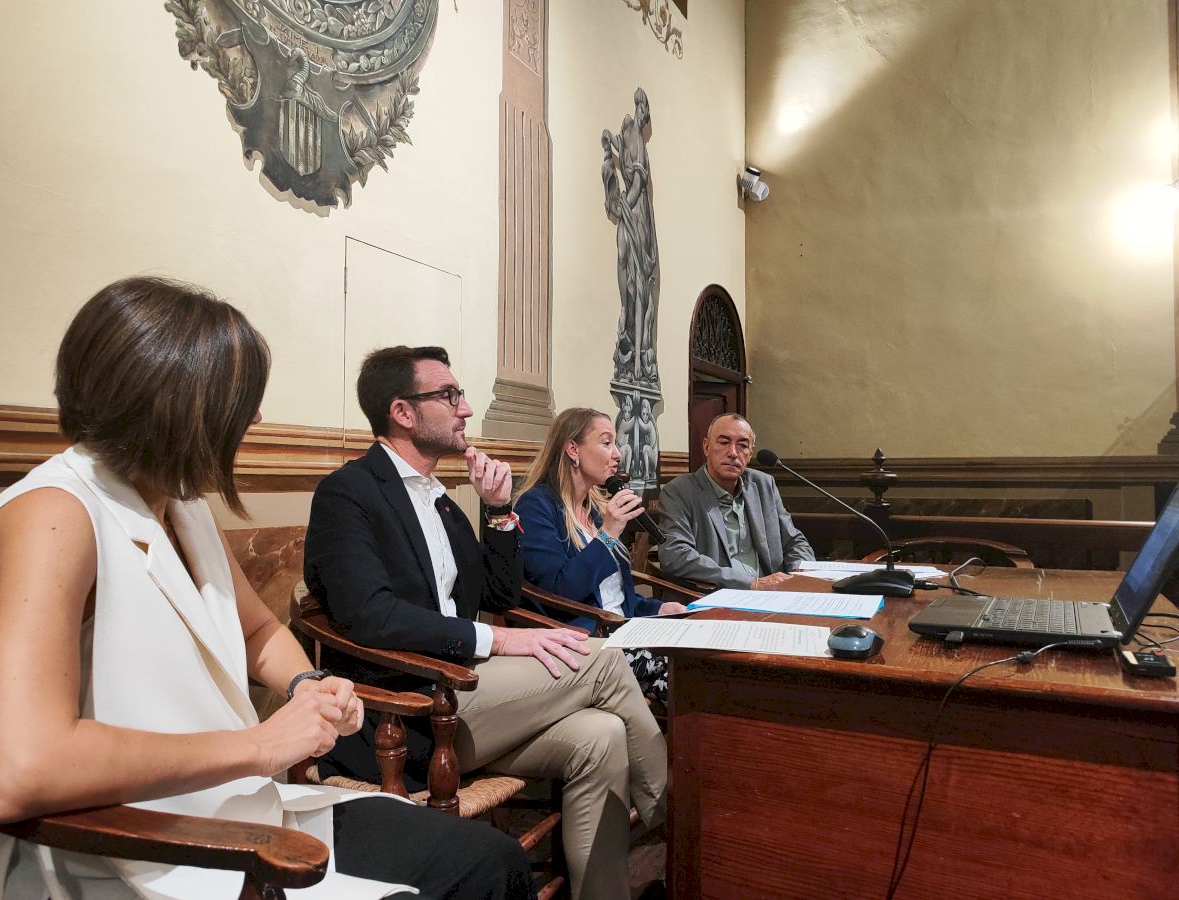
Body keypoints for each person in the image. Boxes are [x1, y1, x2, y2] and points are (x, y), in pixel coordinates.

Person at [0, 278, 532, 900]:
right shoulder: (52, 515)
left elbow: (257, 629)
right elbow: (18, 770)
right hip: (130, 850)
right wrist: (261, 744)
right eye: (240, 398)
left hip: (232, 804)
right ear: (174, 400)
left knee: (494, 861)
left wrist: (307, 685)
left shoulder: (182, 506)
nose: (258, 417)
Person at [303, 347, 668, 900]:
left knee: (603, 735)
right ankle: (682, 822)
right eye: (449, 395)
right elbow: (371, 616)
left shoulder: (443, 502)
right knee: (605, 661)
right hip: (409, 708)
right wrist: (498, 638)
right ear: (403, 412)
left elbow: (498, 594)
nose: (466, 408)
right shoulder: (348, 494)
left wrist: (498, 511)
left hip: (466, 693)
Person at [513, 408, 686, 701]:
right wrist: (607, 534)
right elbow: (560, 590)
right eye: (607, 443)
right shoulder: (536, 506)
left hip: (623, 629)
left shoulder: (591, 509)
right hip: (587, 639)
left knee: (702, 660)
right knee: (686, 677)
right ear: (573, 449)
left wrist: (656, 609)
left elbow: (610, 594)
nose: (617, 454)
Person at [658, 413, 815, 589]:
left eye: (742, 445)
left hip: (773, 592)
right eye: (724, 442)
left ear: (750, 453)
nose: (733, 453)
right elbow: (675, 555)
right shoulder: (679, 491)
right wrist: (750, 583)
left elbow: (794, 541)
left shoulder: (763, 484)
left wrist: (798, 576)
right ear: (707, 447)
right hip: (716, 595)